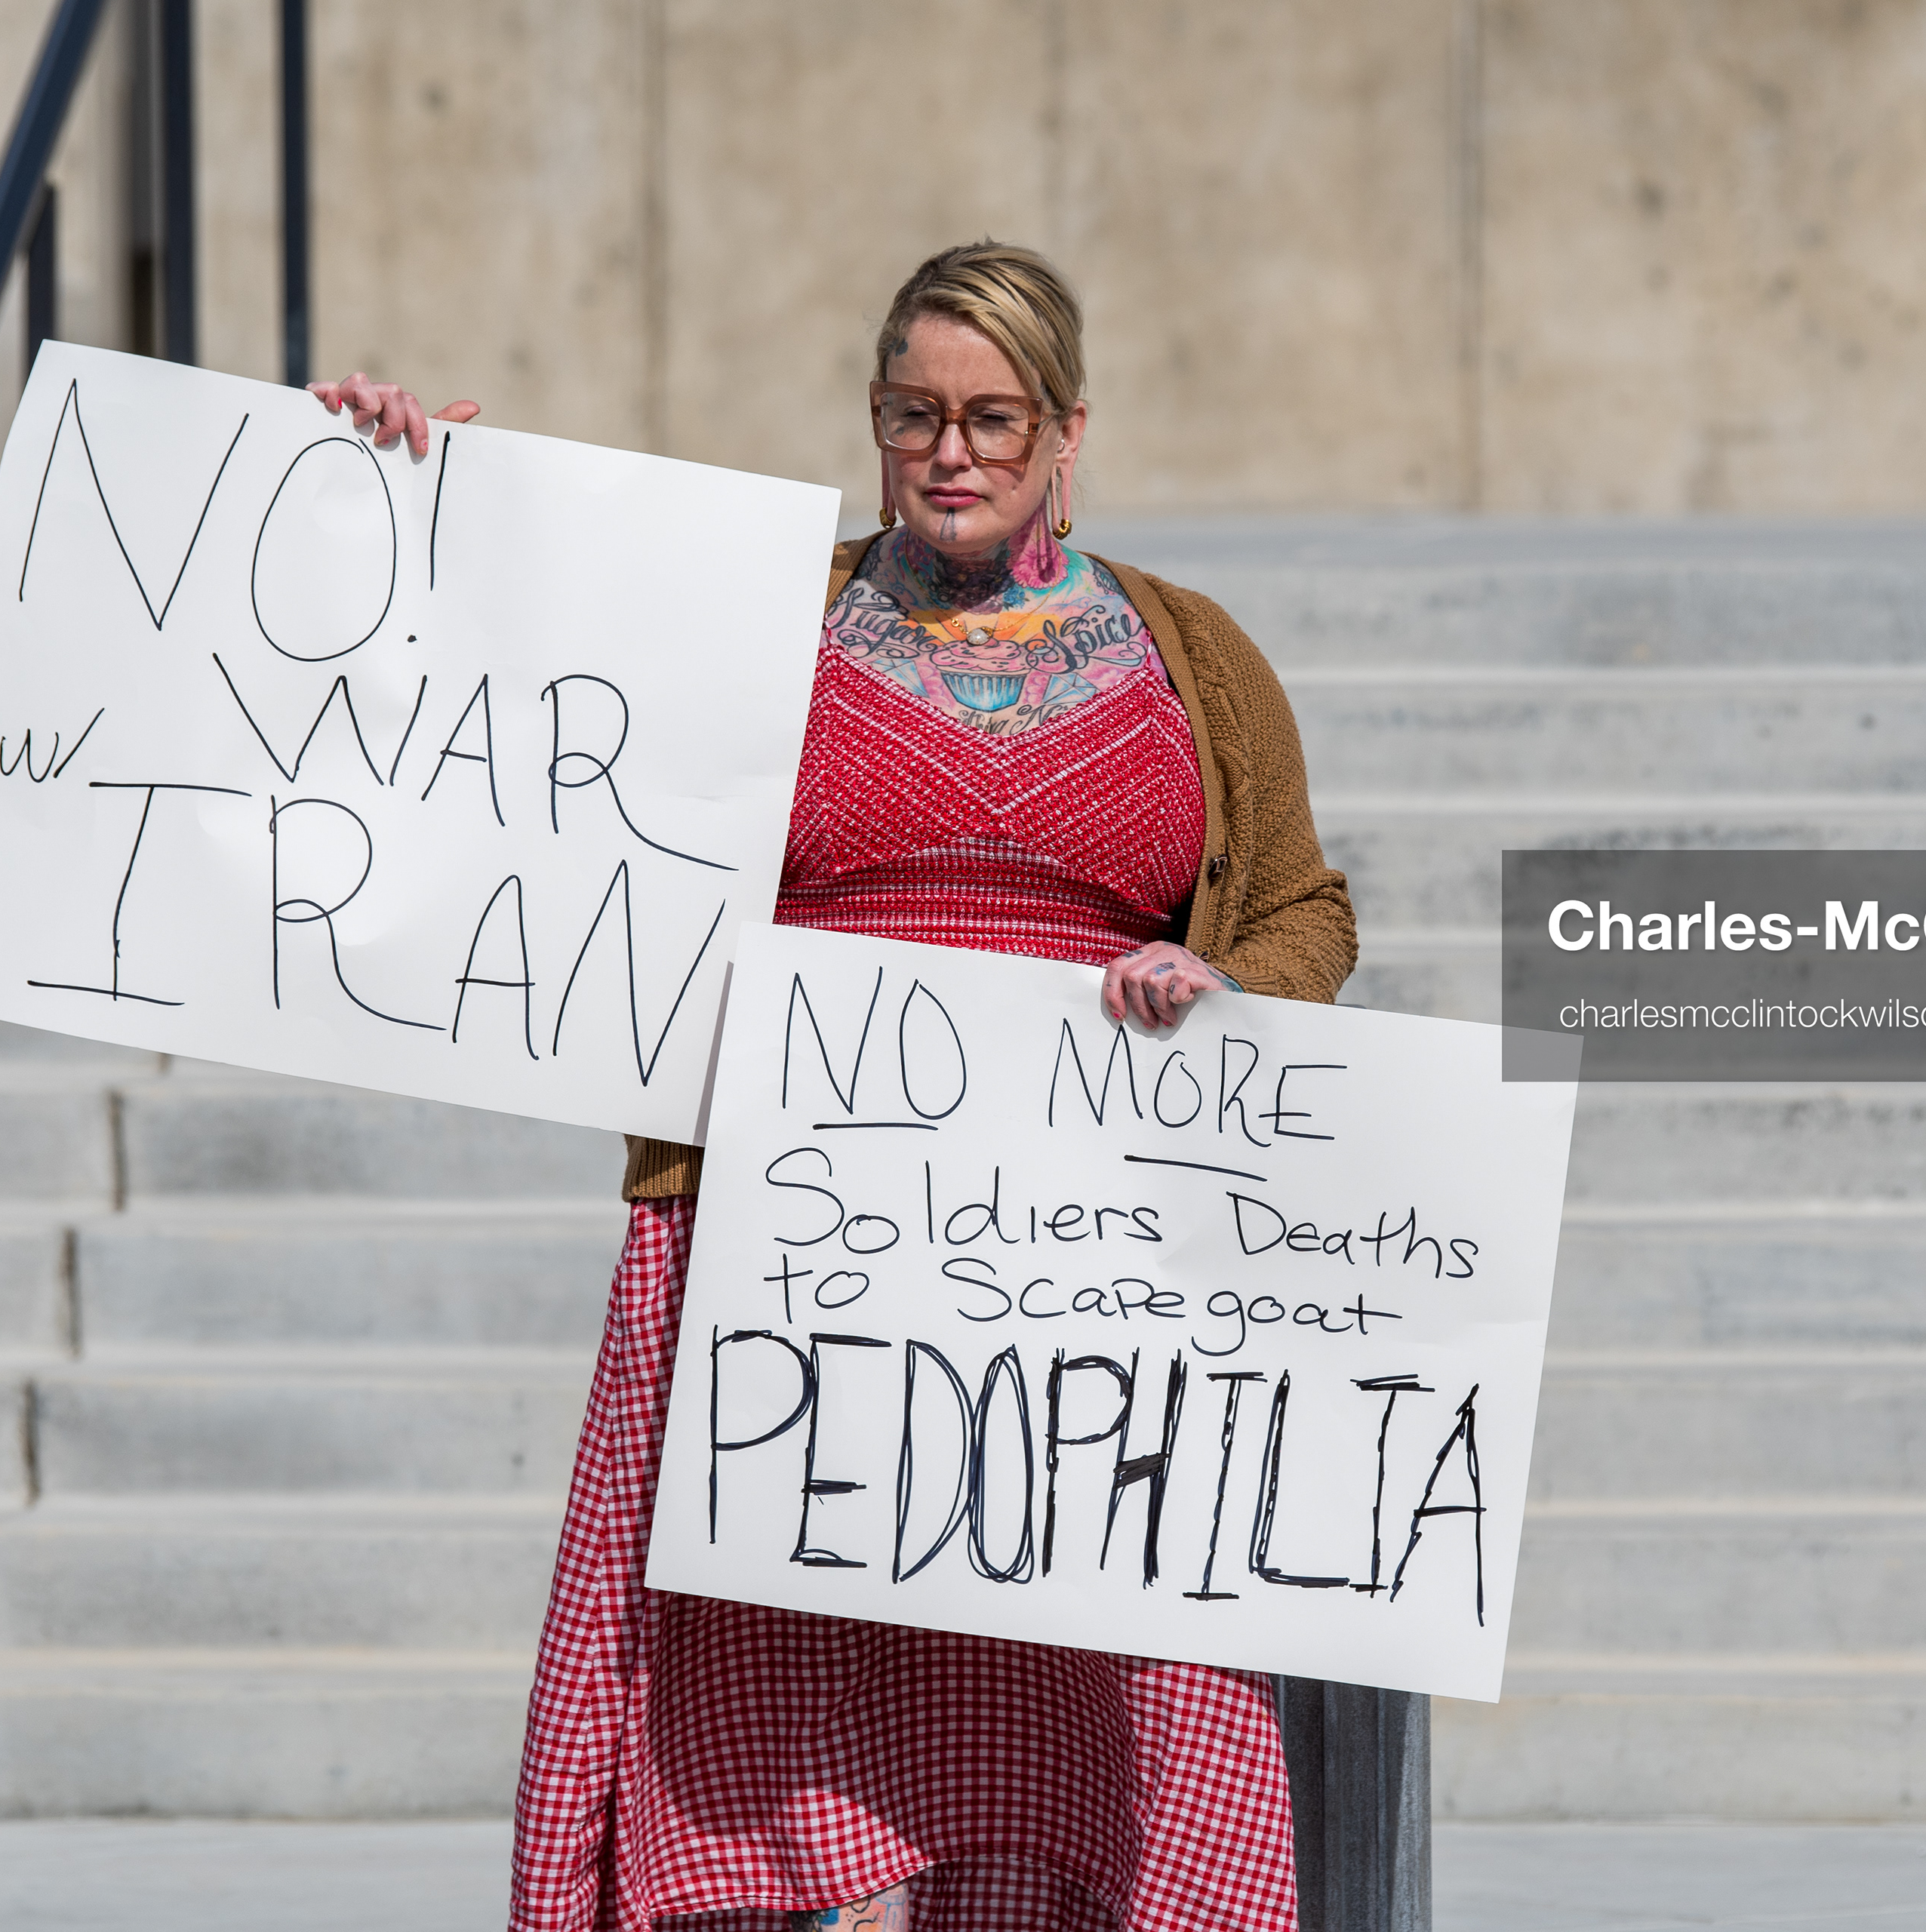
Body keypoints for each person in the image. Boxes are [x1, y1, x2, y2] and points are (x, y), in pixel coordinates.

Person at [317, 241, 1355, 1932]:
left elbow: (1307, 903)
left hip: (1080, 1266)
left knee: (1118, 1696)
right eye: (912, 414)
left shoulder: (1197, 655)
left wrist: (1230, 982)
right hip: (792, 1252)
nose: (950, 452)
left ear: (1069, 430)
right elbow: (500, 708)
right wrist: (387, 484)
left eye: (993, 419)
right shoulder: (760, 616)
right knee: (764, 1721)